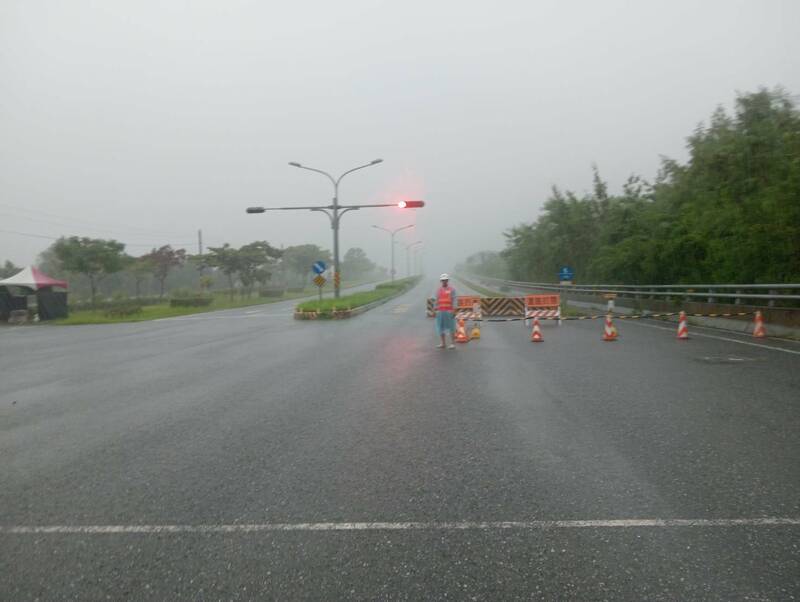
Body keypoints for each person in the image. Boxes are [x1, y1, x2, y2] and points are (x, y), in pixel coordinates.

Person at [434, 273, 457, 349]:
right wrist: (435, 309)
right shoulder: (439, 290)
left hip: (449, 311)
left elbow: (454, 300)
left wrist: (454, 310)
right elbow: (437, 300)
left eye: (445, 280)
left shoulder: (452, 290)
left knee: (451, 327)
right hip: (440, 312)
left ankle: (452, 343)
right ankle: (443, 343)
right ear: (441, 281)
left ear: (447, 280)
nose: (444, 281)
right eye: (443, 280)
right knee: (440, 327)